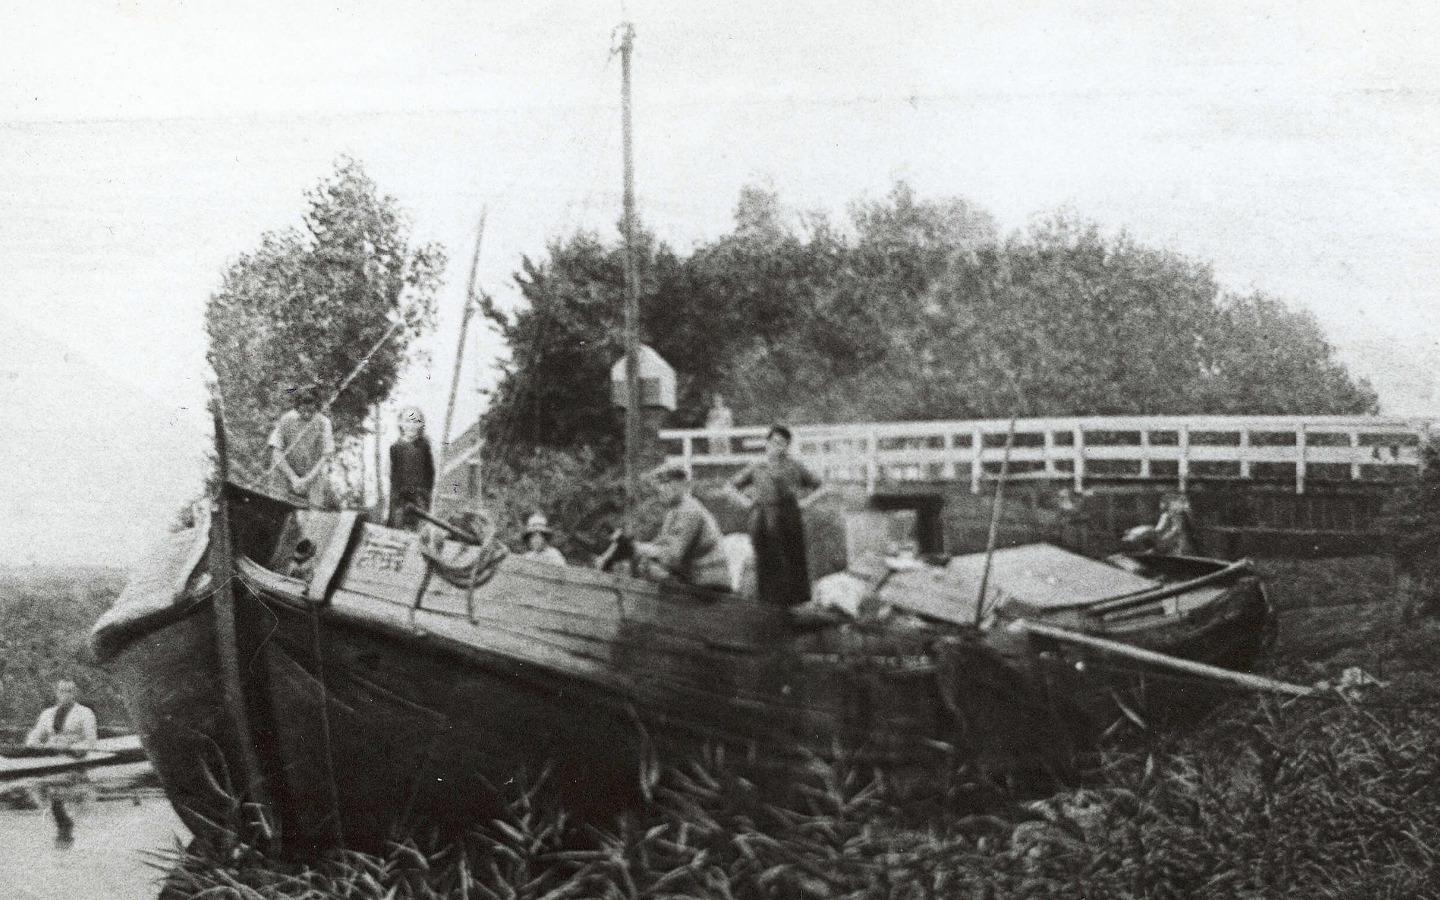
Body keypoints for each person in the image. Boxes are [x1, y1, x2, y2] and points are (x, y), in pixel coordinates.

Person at [726, 425, 829, 606]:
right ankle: (767, 604)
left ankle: (793, 606)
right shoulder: (758, 466)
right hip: (763, 518)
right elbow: (729, 487)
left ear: (787, 446)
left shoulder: (795, 466)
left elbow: (823, 486)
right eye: (774, 442)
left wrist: (807, 502)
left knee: (791, 560)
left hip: (789, 518)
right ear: (767, 444)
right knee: (766, 560)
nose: (777, 447)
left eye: (782, 444)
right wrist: (746, 503)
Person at [26, 679, 99, 847]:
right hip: (51, 753)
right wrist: (32, 748)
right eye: (61, 691)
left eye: (68, 691)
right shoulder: (47, 714)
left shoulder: (85, 713)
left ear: (74, 693)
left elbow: (90, 740)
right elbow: (35, 735)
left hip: (74, 754)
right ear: (57, 693)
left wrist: (73, 749)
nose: (65, 694)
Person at [635, 466, 732, 591]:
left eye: (667, 483)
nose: (660, 489)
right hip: (695, 579)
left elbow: (673, 557)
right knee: (643, 567)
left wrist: (638, 549)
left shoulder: (690, 510)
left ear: (682, 485)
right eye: (658, 484)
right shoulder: (674, 511)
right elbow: (661, 544)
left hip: (709, 584)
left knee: (653, 571)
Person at [267, 385, 336, 507]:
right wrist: (293, 478)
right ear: (297, 407)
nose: (307, 414)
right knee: (276, 502)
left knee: (315, 507)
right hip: (286, 469)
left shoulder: (324, 423)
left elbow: (326, 456)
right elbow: (276, 452)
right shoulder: (286, 419)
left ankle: (313, 519)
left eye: (311, 411)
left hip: (312, 472)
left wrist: (307, 479)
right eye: (303, 410)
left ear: (317, 408)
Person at [388, 405, 436, 530]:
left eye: (415, 422)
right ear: (400, 423)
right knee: (397, 526)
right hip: (400, 497)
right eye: (407, 421)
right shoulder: (395, 448)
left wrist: (427, 496)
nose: (411, 426)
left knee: (421, 528)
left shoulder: (424, 447)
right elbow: (394, 477)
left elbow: (430, 473)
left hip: (420, 496)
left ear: (421, 424)